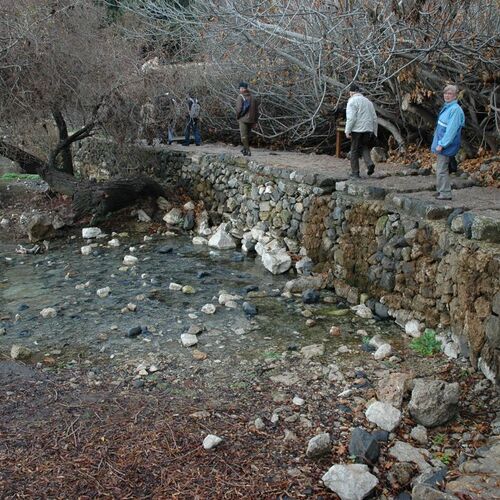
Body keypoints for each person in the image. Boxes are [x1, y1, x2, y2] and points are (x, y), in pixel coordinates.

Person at [431, 84, 465, 200]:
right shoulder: (448, 107)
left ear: (455, 96)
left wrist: (442, 144)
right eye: (445, 93)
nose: (447, 95)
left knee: (441, 169)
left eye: (450, 94)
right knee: (441, 168)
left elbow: (451, 130)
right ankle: (441, 190)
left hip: (446, 145)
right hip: (441, 143)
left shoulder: (455, 110)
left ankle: (445, 193)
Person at [344, 83, 378, 178]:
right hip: (368, 129)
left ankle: (355, 173)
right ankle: (369, 163)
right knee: (364, 146)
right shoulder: (368, 102)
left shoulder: (352, 101)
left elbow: (351, 118)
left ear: (351, 92)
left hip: (357, 129)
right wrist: (374, 132)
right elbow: (375, 118)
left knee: (354, 150)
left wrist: (347, 130)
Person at [236, 82, 259, 156]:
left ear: (243, 88)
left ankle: (248, 150)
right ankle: (244, 150)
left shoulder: (240, 96)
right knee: (247, 136)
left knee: (243, 136)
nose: (240, 89)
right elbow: (256, 111)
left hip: (243, 119)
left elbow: (239, 109)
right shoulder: (253, 97)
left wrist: (237, 117)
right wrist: (255, 121)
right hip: (251, 119)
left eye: (241, 88)